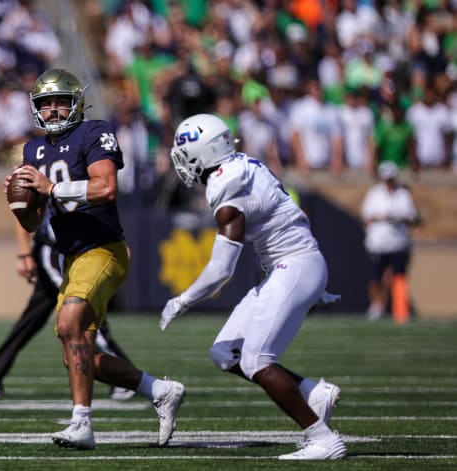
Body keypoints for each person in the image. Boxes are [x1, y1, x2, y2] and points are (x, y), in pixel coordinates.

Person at [6, 68, 185, 450]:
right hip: (71, 257)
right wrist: (21, 205)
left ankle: (82, 424)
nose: (53, 110)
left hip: (104, 249)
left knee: (69, 322)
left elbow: (106, 188)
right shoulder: (33, 150)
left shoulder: (94, 132)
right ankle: (159, 389)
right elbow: (36, 220)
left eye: (60, 102)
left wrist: (51, 187)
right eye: (45, 104)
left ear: (76, 103)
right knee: (78, 355)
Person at [159, 113, 347, 460]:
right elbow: (294, 214)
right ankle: (312, 392)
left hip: (294, 264)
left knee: (257, 359)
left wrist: (183, 300)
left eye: (186, 152)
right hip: (292, 264)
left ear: (204, 151)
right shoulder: (243, 164)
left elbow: (221, 270)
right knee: (224, 353)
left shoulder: (225, 185)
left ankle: (322, 438)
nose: (182, 162)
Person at [0, 215, 136, 402]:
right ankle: (124, 377)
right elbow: (23, 208)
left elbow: (92, 210)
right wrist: (25, 253)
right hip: (54, 253)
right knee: (84, 308)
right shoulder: (49, 186)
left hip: (76, 251)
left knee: (35, 316)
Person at [360, 161, 419, 322]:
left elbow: (413, 218)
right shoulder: (374, 194)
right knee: (375, 276)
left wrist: (399, 218)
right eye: (386, 178)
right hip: (377, 242)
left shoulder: (403, 194)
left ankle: (399, 309)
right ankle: (376, 306)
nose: (389, 182)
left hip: (398, 242)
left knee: (398, 276)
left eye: (391, 178)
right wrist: (382, 217)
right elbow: (366, 217)